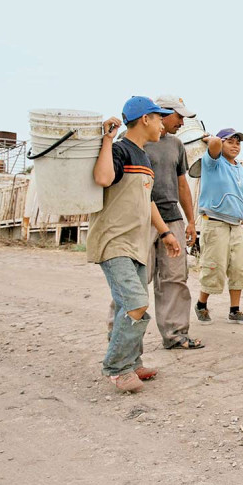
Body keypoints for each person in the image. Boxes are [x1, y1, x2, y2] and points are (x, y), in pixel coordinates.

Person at [89, 96, 182, 393]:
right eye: (158, 118)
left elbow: (148, 200)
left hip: (137, 244)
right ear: (145, 119)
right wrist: (107, 140)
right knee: (135, 303)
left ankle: (133, 362)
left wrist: (166, 233)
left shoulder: (143, 156)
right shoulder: (120, 150)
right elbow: (103, 178)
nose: (162, 124)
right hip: (114, 242)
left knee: (133, 304)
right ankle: (116, 367)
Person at [144, 96, 203, 349]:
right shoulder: (132, 141)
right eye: (178, 116)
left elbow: (182, 184)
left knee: (175, 278)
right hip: (141, 219)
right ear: (161, 113)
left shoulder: (176, 145)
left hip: (173, 217)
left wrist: (191, 220)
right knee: (136, 277)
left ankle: (176, 334)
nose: (182, 122)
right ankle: (122, 337)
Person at [195, 128, 243, 325]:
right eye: (230, 141)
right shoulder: (212, 163)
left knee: (239, 268)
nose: (235, 146)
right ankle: (201, 305)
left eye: (238, 142)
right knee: (215, 267)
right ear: (220, 143)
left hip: (235, 226)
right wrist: (211, 139)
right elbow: (213, 146)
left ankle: (234, 310)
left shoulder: (241, 171)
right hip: (214, 223)